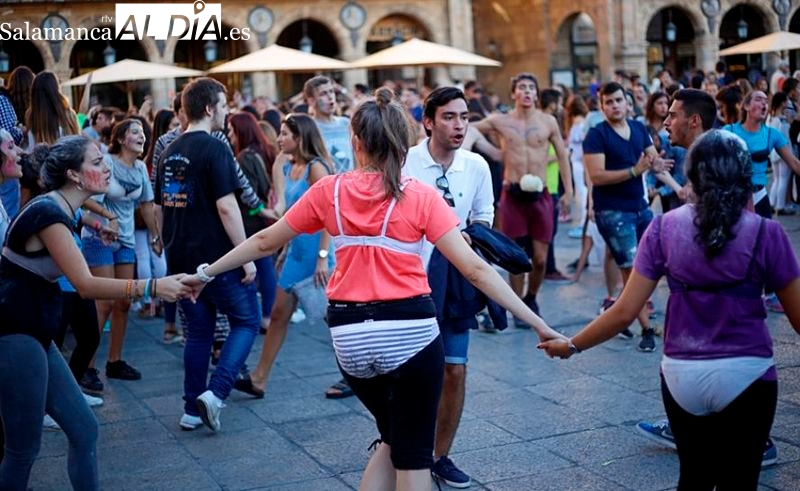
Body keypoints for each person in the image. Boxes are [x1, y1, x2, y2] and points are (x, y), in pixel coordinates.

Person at [180, 87, 565, 491]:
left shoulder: (329, 190)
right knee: (414, 459)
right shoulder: (420, 195)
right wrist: (539, 324)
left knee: (393, 439)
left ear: (356, 141)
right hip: (409, 334)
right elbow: (475, 269)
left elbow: (263, 241)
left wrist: (205, 273)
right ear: (403, 143)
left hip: (349, 340)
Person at [539, 129, 800, 491]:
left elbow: (625, 311)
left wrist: (571, 345)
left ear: (690, 175)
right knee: (740, 482)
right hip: (747, 373)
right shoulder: (767, 233)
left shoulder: (663, 228)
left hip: (682, 375)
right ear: (745, 177)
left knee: (693, 477)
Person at [0, 134, 189, 491]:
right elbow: (85, 285)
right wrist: (153, 287)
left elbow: (81, 218)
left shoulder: (60, 208)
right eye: (97, 162)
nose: (107, 168)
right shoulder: (48, 213)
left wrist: (100, 224)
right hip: (15, 335)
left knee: (84, 429)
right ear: (74, 174)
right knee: (22, 450)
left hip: (35, 333)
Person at [154, 77, 261, 432]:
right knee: (247, 321)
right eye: (224, 104)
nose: (228, 111)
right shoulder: (215, 147)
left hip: (181, 259)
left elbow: (159, 209)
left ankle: (190, 408)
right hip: (218, 260)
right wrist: (246, 256)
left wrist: (167, 246)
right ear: (208, 108)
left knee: (198, 334)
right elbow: (227, 207)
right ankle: (216, 394)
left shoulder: (168, 151)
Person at [403, 86, 495, 488]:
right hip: (408, 282)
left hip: (455, 282)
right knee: (410, 373)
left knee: (455, 370)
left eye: (464, 117)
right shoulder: (405, 161)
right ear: (428, 121)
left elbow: (484, 214)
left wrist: (471, 236)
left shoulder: (476, 166)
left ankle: (440, 455)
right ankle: (406, 449)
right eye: (449, 117)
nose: (459, 125)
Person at [233, 113, 333, 399]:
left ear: (300, 137)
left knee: (335, 321)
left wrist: (323, 257)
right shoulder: (290, 166)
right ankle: (259, 379)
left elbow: (330, 215)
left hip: (317, 253)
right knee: (278, 314)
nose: (278, 139)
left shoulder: (316, 168)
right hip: (296, 253)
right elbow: (288, 214)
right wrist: (286, 248)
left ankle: (361, 373)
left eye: (285, 134)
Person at [472, 73, 574, 318]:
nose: (527, 91)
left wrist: (569, 191)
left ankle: (531, 298)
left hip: (541, 195)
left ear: (536, 94)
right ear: (513, 93)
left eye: (531, 87)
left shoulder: (548, 121)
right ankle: (518, 306)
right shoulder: (500, 120)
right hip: (513, 195)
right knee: (515, 256)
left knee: (540, 259)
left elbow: (562, 155)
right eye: (522, 87)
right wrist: (489, 150)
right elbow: (467, 128)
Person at [582, 82, 671, 352]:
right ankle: (645, 328)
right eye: (608, 102)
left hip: (640, 206)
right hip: (612, 211)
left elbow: (652, 160)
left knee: (656, 261)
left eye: (618, 100)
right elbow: (597, 176)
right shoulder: (596, 135)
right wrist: (634, 171)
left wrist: (661, 168)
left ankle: (622, 312)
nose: (615, 106)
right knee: (631, 269)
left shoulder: (638, 128)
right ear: (602, 106)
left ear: (627, 102)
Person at [81, 118, 160, 387]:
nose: (141, 136)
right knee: (103, 303)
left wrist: (155, 235)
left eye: (143, 133)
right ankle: (86, 365)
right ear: (121, 138)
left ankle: (114, 361)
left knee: (124, 301)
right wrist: (108, 218)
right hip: (98, 237)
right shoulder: (106, 162)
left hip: (125, 240)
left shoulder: (140, 168)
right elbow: (86, 197)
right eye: (135, 132)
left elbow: (146, 205)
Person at [226, 112, 278, 334]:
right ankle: (268, 315)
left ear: (241, 131)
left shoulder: (244, 158)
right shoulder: (266, 150)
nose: (229, 134)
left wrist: (259, 209)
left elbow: (250, 195)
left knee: (261, 268)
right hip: (265, 217)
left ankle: (265, 316)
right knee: (267, 267)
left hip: (251, 219)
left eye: (232, 130)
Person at [304, 76, 354, 174]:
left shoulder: (346, 123)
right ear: (311, 101)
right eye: (323, 94)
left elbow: (356, 155)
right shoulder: (308, 127)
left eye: (331, 91)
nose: (330, 97)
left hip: (350, 180)